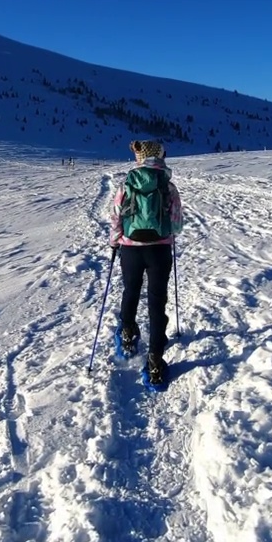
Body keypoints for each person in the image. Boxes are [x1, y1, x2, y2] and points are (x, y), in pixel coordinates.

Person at [109, 140, 184, 386]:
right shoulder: (168, 187)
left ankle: (128, 334)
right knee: (157, 300)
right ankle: (155, 359)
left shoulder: (126, 184)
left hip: (131, 249)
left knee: (131, 291)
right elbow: (176, 224)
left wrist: (115, 242)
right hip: (160, 249)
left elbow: (116, 216)